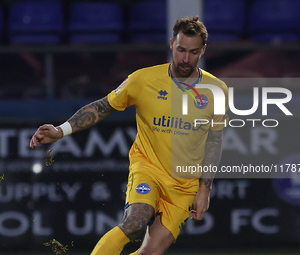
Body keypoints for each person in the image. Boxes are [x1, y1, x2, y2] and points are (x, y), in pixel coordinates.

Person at [30, 16, 229, 255]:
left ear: (204, 50)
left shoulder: (217, 91)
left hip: (184, 185)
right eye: (181, 50)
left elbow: (215, 141)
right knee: (135, 222)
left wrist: (205, 189)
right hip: (148, 169)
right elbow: (103, 106)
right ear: (171, 44)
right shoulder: (143, 80)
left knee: (149, 253)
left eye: (193, 52)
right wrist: (61, 130)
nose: (186, 59)